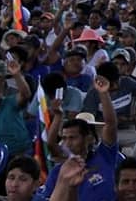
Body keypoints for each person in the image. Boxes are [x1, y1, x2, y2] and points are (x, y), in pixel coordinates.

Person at [40, 71, 121, 201]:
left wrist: (103, 93)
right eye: (64, 138)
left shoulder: (105, 156)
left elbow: (111, 125)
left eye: (72, 138)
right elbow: (51, 145)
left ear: (88, 138)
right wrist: (58, 116)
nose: (67, 143)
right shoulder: (60, 171)